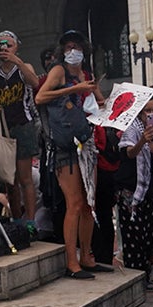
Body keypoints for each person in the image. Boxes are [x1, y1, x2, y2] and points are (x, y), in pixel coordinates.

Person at [36, 30, 109, 278]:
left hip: (86, 142)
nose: (73, 50)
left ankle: (87, 256)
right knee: (74, 203)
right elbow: (41, 96)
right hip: (65, 145)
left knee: (89, 203)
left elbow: (100, 103)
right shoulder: (59, 71)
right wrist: (72, 89)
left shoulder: (85, 73)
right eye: (68, 46)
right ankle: (72, 261)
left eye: (76, 46)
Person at [0, 30, 41, 225]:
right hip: (4, 129)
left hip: (23, 125)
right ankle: (16, 219)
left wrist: (17, 61)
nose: (4, 48)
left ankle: (30, 221)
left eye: (8, 44)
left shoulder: (23, 67)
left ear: (16, 47)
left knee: (25, 178)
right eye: (0, 44)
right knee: (9, 180)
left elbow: (35, 82)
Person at [116, 97, 153, 287]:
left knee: (149, 237)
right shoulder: (131, 130)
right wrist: (143, 141)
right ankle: (135, 279)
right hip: (132, 191)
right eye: (147, 110)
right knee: (133, 239)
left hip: (152, 191)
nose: (150, 113)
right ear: (140, 112)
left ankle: (146, 276)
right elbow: (129, 153)